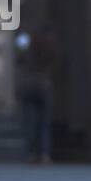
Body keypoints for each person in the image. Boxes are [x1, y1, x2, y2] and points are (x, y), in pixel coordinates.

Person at [14, 27, 54, 164]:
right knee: (44, 123)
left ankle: (30, 153)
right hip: (43, 85)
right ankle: (44, 153)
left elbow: (18, 60)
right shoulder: (48, 46)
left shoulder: (25, 45)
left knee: (29, 121)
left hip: (28, 85)